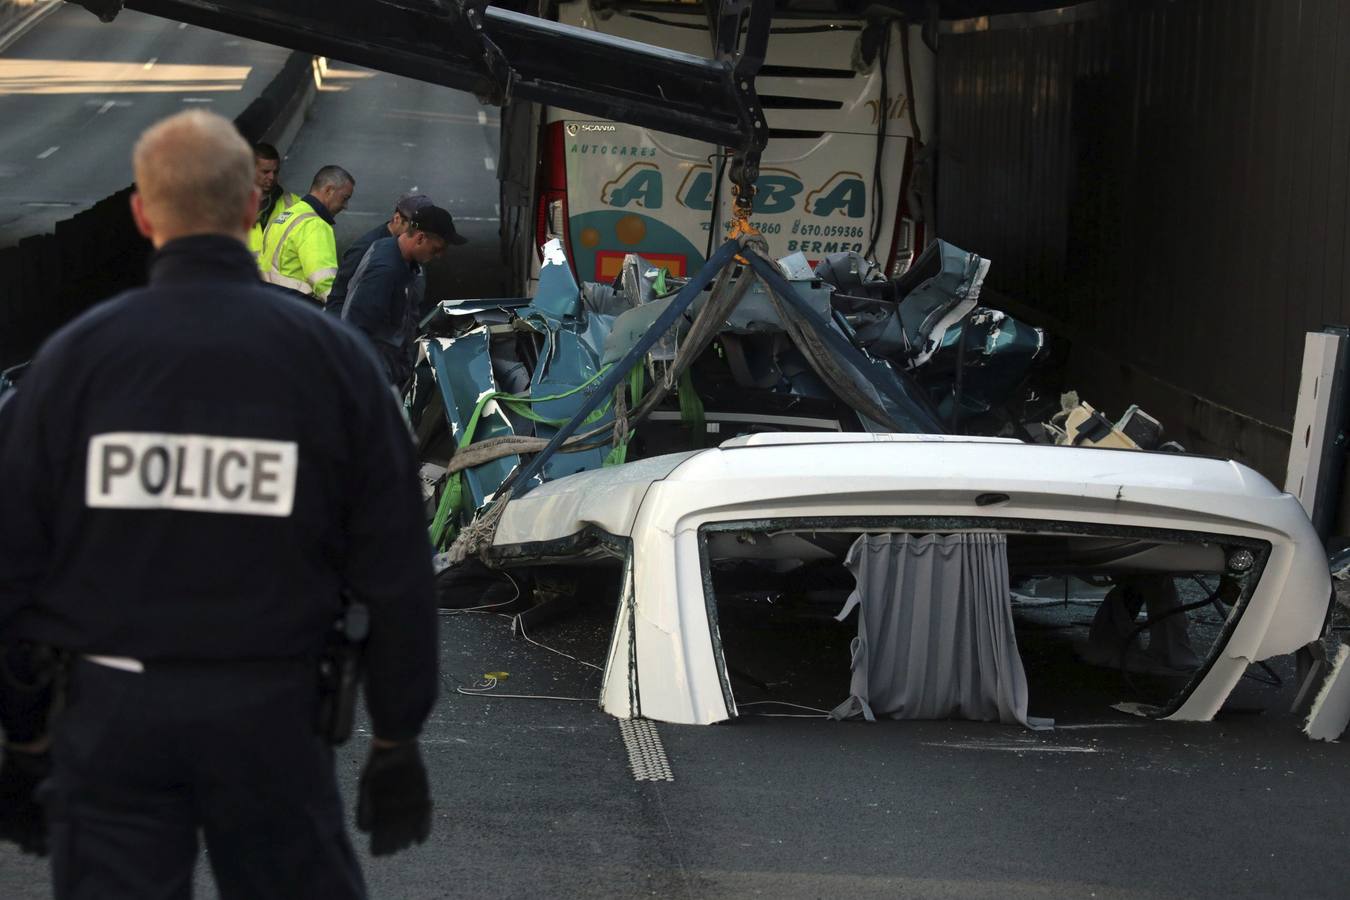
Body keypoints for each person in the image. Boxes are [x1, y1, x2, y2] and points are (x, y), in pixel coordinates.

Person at [0, 110, 438, 898]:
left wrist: (23, 736)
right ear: (249, 209)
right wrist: (397, 736)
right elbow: (397, 565)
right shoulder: (336, 366)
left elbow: (13, 562)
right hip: (272, 718)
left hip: (110, 722)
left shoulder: (73, 364)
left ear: (141, 214)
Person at [341, 205, 456, 388]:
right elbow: (357, 327)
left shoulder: (397, 255)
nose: (439, 256)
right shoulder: (386, 271)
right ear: (420, 238)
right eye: (436, 249)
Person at [328, 192, 465, 317]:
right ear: (397, 218)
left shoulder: (410, 251)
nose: (418, 232)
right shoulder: (368, 251)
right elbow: (339, 299)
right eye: (414, 225)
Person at [259, 164, 355, 306]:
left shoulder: (285, 215)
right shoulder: (315, 224)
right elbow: (323, 279)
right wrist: (339, 309)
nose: (345, 205)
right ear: (329, 190)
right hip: (297, 308)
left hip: (268, 301)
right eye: (344, 198)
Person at [246, 142, 301, 262]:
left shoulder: (294, 203)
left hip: (276, 279)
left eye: (275, 172)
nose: (271, 177)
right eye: (266, 172)